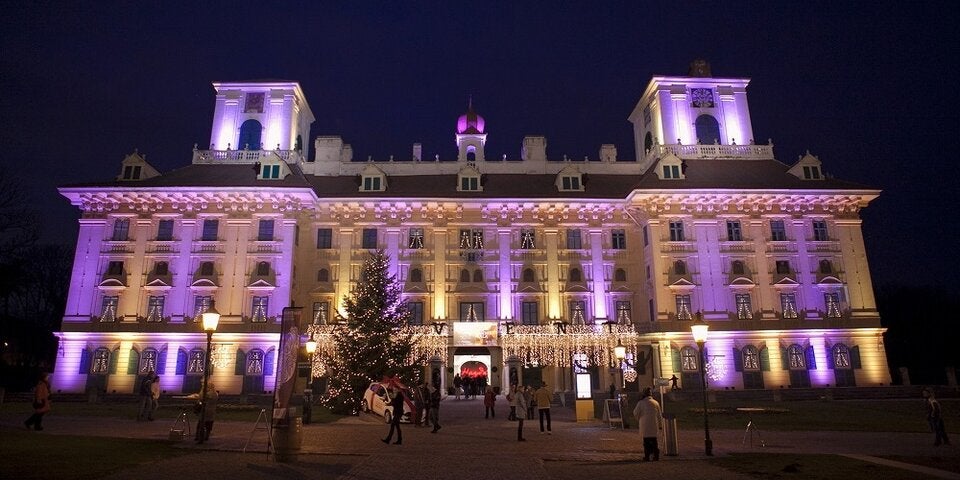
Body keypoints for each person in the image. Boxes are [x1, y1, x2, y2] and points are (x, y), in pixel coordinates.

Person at [633, 387, 663, 461]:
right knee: (654, 441)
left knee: (646, 442)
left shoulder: (641, 403)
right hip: (654, 424)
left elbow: (635, 413)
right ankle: (656, 456)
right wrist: (660, 425)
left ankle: (647, 456)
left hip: (645, 425)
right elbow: (659, 415)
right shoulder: (656, 403)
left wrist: (639, 419)